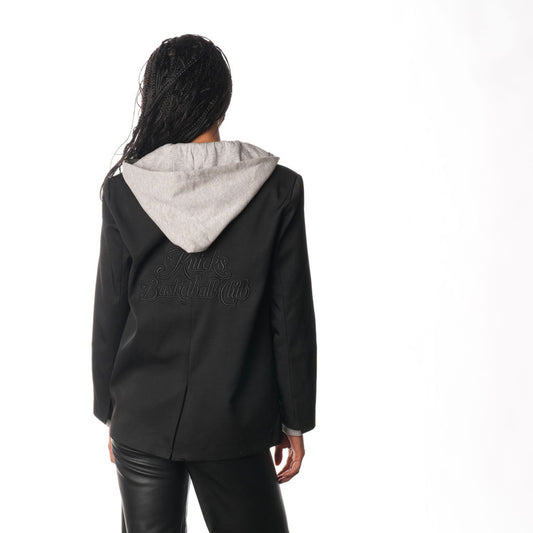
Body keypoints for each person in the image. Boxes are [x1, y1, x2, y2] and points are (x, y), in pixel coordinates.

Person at [91, 33, 317, 533]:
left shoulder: (126, 189)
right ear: (222, 99)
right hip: (235, 421)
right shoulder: (277, 188)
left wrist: (111, 412)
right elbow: (290, 316)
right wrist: (296, 418)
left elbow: (110, 310)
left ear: (159, 98)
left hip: (141, 417)